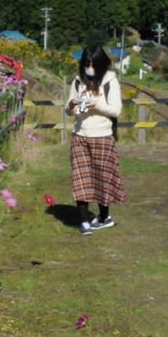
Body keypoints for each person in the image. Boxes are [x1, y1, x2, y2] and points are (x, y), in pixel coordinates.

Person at [65, 46, 126, 235]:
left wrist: (96, 104)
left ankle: (104, 217)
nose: (89, 68)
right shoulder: (77, 81)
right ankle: (84, 221)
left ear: (100, 64)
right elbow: (69, 110)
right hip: (80, 136)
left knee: (102, 178)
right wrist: (72, 106)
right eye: (86, 64)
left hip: (102, 136)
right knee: (81, 178)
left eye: (92, 64)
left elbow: (116, 110)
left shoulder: (110, 81)